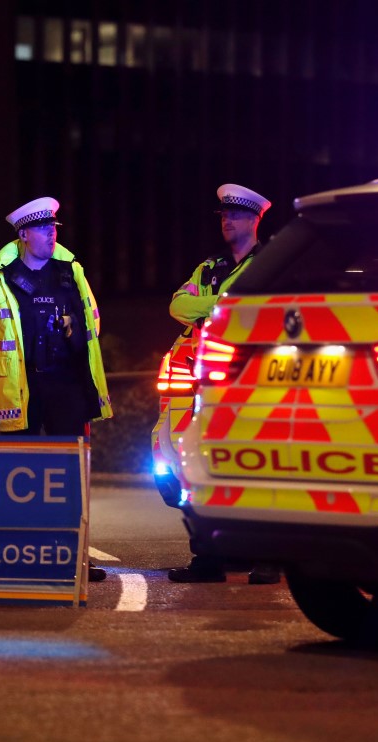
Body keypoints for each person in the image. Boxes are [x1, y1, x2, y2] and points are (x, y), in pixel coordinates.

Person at [0, 196, 113, 582]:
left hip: (68, 386)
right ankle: (23, 555)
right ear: (24, 234)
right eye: (44, 229)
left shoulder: (71, 272)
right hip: (22, 390)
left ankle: (77, 556)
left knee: (71, 473)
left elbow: (93, 322)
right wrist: (5, 364)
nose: (52, 234)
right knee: (22, 474)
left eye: (54, 229)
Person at [166, 183, 281, 585]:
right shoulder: (210, 267)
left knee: (259, 470)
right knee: (204, 469)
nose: (227, 222)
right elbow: (178, 305)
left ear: (253, 220)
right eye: (224, 217)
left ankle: (267, 559)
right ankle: (208, 560)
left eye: (234, 216)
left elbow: (266, 314)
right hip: (209, 384)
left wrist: (209, 309)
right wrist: (223, 306)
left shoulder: (272, 264)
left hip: (254, 382)